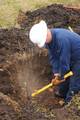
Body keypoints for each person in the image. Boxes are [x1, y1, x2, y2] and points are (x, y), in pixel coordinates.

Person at [29, 20, 80, 104]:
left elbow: (64, 62)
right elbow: (53, 56)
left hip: (78, 58)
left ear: (46, 35)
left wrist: (60, 77)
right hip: (71, 55)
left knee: (75, 82)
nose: (44, 43)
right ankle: (62, 93)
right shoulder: (50, 40)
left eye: (43, 41)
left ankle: (69, 103)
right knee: (64, 76)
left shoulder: (61, 39)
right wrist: (56, 72)